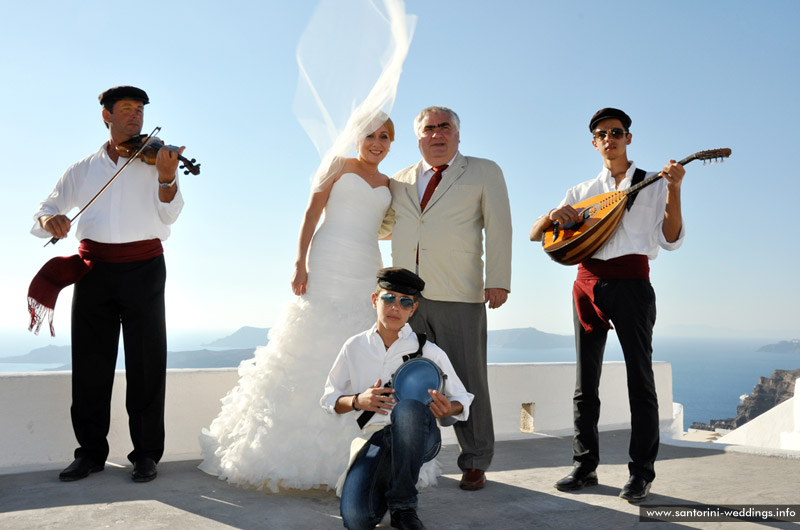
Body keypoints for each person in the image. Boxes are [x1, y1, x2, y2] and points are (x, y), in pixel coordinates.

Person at [199, 119, 398, 490]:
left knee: (360, 338)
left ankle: (359, 451)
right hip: (328, 258)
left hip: (367, 263)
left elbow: (388, 226)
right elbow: (311, 212)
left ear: (391, 142)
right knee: (314, 336)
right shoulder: (338, 165)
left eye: (384, 136)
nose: (376, 142)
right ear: (356, 138)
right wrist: (300, 263)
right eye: (370, 135)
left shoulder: (390, 184)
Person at [29, 85, 186, 482]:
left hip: (145, 268)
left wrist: (167, 178)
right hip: (94, 270)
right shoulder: (82, 169)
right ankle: (90, 454)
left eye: (140, 110)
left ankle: (147, 454)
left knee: (147, 364)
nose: (136, 116)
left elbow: (169, 217)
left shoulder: (156, 160)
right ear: (107, 116)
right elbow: (45, 210)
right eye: (128, 109)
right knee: (89, 365)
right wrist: (51, 221)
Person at [529, 107, 686, 503]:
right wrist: (552, 215)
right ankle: (585, 466)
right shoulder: (582, 192)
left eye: (616, 131)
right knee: (586, 384)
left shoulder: (653, 183)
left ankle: (641, 473)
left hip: (632, 282)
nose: (609, 138)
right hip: (585, 284)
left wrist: (676, 189)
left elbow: (671, 238)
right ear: (594, 142)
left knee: (640, 381)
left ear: (628, 138)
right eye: (601, 133)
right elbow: (537, 235)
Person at [383, 106, 512, 491]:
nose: (437, 134)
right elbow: (384, 225)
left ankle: (475, 460)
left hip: (461, 292)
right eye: (428, 129)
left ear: (457, 135)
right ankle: (414, 456)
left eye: (445, 127)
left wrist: (499, 280)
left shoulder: (485, 171)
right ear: (418, 136)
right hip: (406, 299)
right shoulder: (399, 181)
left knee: (469, 378)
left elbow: (500, 227)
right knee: (407, 380)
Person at [321, 267, 473, 530]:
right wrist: (358, 400)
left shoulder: (429, 350)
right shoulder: (354, 347)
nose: (395, 307)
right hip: (376, 437)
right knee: (357, 520)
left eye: (405, 302)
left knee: (408, 410)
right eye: (388, 298)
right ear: (374, 300)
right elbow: (329, 398)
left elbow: (462, 398)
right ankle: (385, 491)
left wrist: (449, 408)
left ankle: (404, 506)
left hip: (420, 436)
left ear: (413, 309)